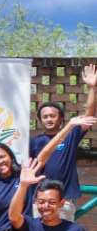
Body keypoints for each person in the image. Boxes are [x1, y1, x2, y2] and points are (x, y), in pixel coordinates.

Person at [29, 65, 96, 220]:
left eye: (52, 116)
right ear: (40, 120)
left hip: (64, 200)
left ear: (61, 119)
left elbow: (89, 114)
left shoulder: (71, 135)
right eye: (45, 117)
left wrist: (92, 87)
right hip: (41, 200)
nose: (49, 119)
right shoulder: (34, 142)